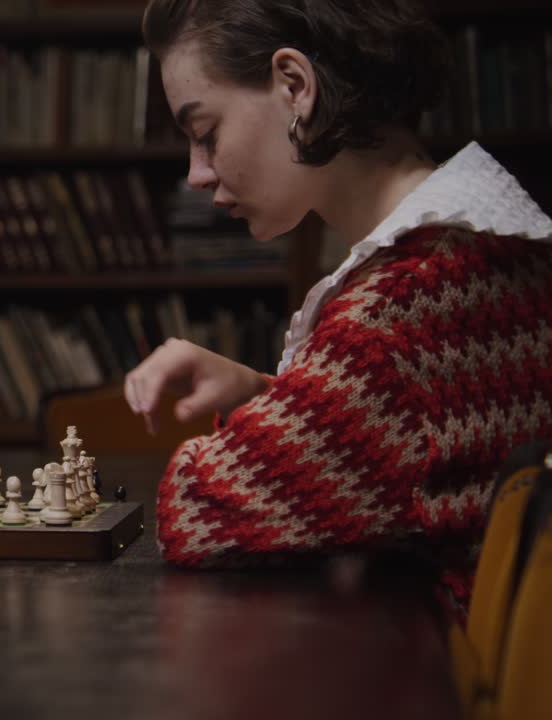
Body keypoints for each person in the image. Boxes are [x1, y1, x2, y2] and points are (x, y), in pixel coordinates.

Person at [125, 0, 552, 603]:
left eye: (205, 133)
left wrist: (264, 424)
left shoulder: (394, 315)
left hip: (433, 684)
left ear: (295, 86)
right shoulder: (481, 253)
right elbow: (405, 453)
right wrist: (262, 396)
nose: (196, 173)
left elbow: (201, 512)